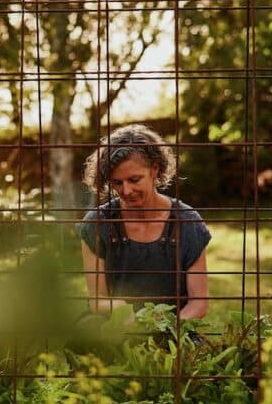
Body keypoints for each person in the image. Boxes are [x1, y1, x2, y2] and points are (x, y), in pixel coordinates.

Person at [76, 124, 210, 319]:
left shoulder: (188, 223)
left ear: (155, 169)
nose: (126, 191)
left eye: (134, 179)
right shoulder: (96, 224)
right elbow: (97, 299)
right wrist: (120, 310)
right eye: (117, 183)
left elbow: (198, 303)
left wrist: (163, 328)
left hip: (175, 335)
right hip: (117, 331)